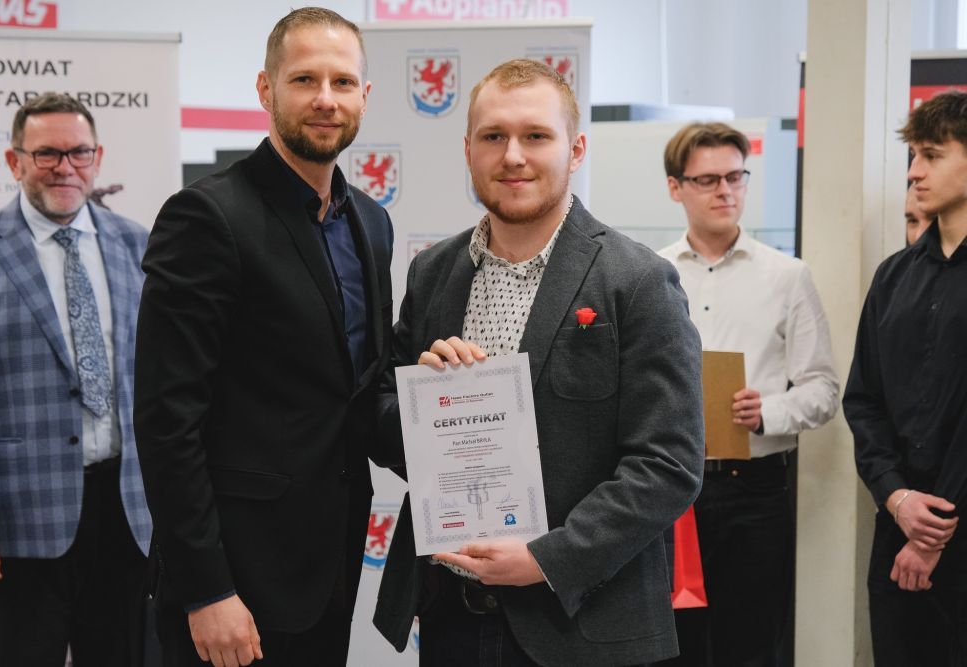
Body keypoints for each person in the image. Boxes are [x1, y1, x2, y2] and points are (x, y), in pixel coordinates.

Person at [372, 59, 705, 667]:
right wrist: (425, 402)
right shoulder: (433, 273)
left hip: (583, 626)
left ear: (575, 150)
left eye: (535, 136)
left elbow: (669, 463)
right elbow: (379, 416)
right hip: (451, 618)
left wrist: (548, 560)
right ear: (468, 150)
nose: (513, 156)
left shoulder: (637, 281)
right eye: (493, 136)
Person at [133, 7, 394, 667]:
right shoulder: (207, 216)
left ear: (365, 95)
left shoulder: (371, 223)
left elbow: (359, 392)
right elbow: (167, 421)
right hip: (233, 586)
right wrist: (206, 588)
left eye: (342, 82)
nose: (326, 99)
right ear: (265, 89)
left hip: (330, 568)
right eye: (305, 79)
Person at [0, 93, 151, 665]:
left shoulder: (138, 245)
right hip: (18, 527)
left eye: (78, 153)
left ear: (98, 158)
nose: (65, 167)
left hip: (128, 517)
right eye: (46, 154)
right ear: (14, 161)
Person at [656, 122, 839, 666]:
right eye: (708, 179)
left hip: (754, 490)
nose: (725, 191)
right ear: (676, 187)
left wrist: (769, 411)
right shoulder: (651, 274)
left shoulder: (787, 276)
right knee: (674, 647)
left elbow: (824, 389)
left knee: (753, 646)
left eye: (736, 177)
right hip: (670, 488)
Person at [843, 90, 967, 666]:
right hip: (898, 525)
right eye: (913, 156)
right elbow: (863, 400)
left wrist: (932, 530)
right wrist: (896, 498)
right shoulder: (893, 277)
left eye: (932, 155)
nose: (914, 172)